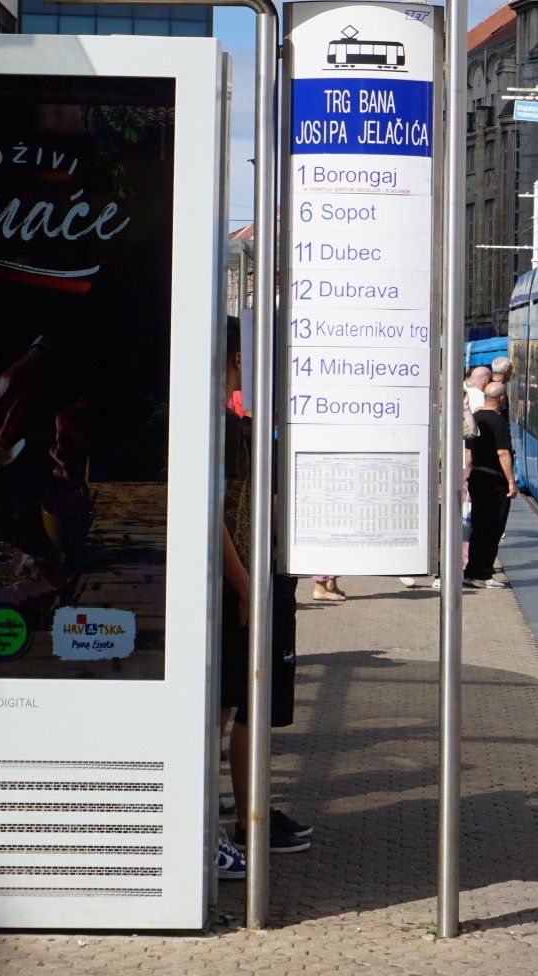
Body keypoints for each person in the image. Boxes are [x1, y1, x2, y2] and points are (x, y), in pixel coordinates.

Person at [214, 327, 309, 873]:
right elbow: (215, 515)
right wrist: (246, 584)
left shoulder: (235, 425)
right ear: (236, 360)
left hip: (243, 582)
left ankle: (246, 819)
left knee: (239, 706)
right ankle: (230, 827)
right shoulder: (224, 427)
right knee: (228, 709)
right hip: (234, 588)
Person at [464, 381, 516, 588]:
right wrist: (511, 481)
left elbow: (468, 454)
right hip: (494, 481)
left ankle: (474, 571)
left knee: (478, 526)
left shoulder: (475, 418)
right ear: (502, 399)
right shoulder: (499, 421)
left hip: (477, 476)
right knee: (493, 528)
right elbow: (502, 452)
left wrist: (469, 477)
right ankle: (482, 574)